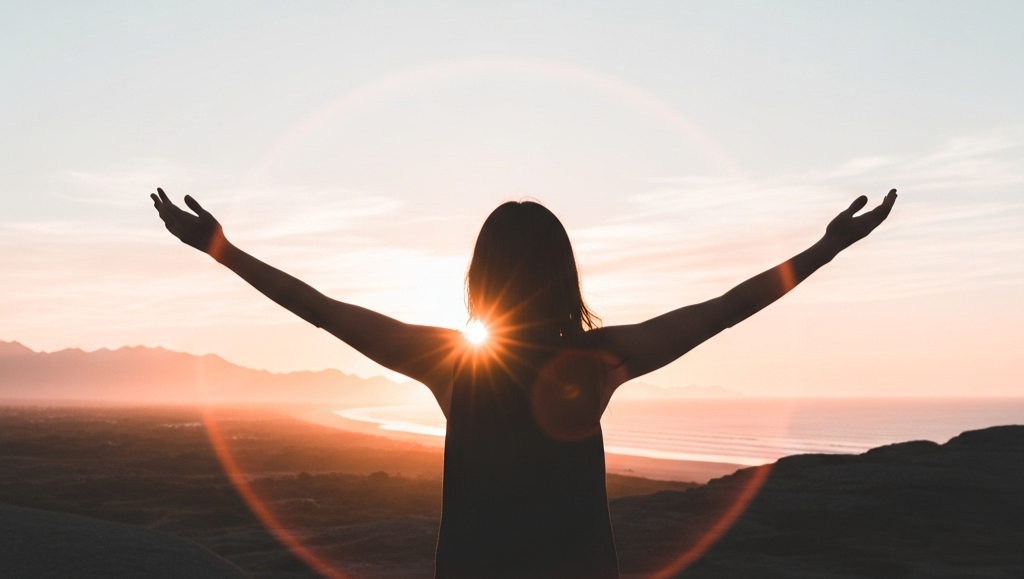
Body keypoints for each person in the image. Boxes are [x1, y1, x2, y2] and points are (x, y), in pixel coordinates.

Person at [151, 188, 897, 579]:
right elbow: (725, 309)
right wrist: (825, 247)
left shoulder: (451, 363)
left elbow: (321, 310)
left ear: (480, 277)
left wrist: (221, 249)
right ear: (563, 273)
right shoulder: (599, 362)